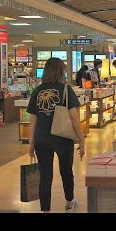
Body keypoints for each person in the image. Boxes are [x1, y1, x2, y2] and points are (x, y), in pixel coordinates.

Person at [27, 57, 85, 212]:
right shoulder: (66, 89)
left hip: (41, 139)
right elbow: (74, 117)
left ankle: (45, 210)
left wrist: (31, 143)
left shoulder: (38, 91)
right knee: (66, 171)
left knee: (45, 177)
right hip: (63, 137)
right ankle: (69, 202)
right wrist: (81, 140)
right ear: (61, 71)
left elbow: (32, 120)